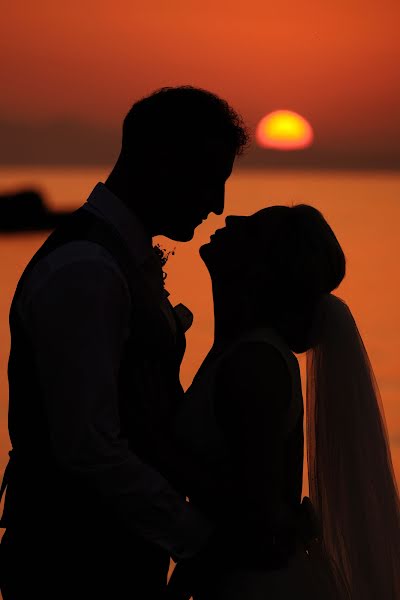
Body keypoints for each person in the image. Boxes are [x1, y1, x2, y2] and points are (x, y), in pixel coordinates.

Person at [0, 86, 249, 600]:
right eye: (209, 180)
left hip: (117, 559)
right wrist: (198, 538)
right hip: (72, 567)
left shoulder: (115, 260)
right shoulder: (85, 270)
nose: (218, 204)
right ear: (160, 162)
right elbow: (88, 448)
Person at [166, 204, 400, 599]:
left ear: (261, 272)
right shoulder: (240, 351)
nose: (230, 220)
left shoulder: (256, 364)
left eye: (251, 228)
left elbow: (254, 517)